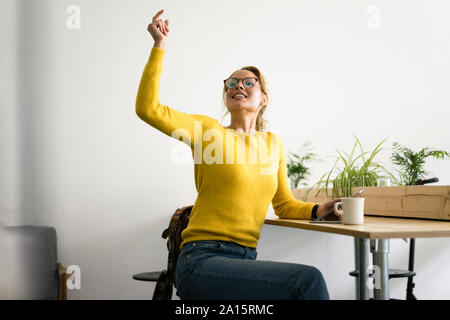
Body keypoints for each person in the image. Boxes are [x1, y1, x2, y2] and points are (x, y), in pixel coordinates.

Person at [137, 9, 341, 300]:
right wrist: (160, 45)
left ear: (264, 99)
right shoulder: (208, 132)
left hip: (244, 262)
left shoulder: (273, 144)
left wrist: (321, 211)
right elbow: (148, 109)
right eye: (231, 83)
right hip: (202, 260)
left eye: (248, 82)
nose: (238, 86)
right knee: (307, 281)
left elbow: (284, 205)